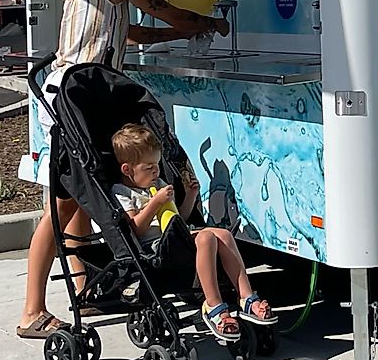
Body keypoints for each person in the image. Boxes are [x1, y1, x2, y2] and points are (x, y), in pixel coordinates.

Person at [16, 0, 228, 338]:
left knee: (77, 194)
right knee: (63, 204)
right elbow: (165, 10)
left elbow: (133, 33)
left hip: (70, 94)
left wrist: (182, 33)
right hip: (83, 97)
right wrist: (207, 23)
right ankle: (31, 310)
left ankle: (83, 287)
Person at [111, 124, 277, 341]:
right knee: (207, 237)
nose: (156, 171)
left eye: (157, 165)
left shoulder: (158, 183)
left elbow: (178, 217)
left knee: (224, 235)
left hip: (175, 235)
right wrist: (155, 202)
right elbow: (136, 228)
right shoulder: (122, 192)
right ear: (127, 169)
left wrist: (190, 195)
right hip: (154, 246)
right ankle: (213, 305)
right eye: (149, 166)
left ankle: (246, 297)